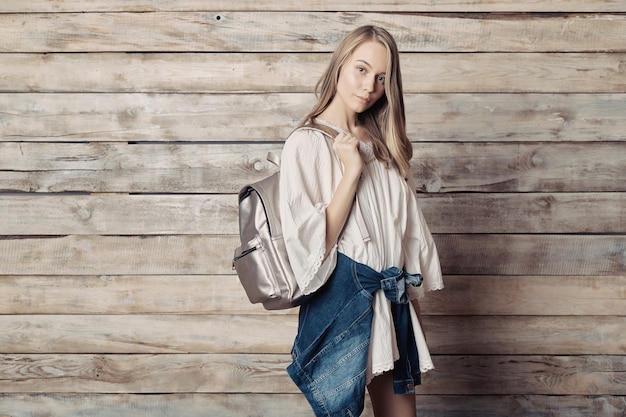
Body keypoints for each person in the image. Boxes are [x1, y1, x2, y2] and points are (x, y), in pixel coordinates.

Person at [279, 25, 444, 417]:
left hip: (392, 301)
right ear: (339, 67)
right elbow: (312, 247)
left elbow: (406, 238)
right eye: (361, 69)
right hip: (345, 303)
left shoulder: (385, 147)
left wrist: (411, 316)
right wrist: (351, 171)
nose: (370, 85)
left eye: (382, 77)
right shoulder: (306, 143)